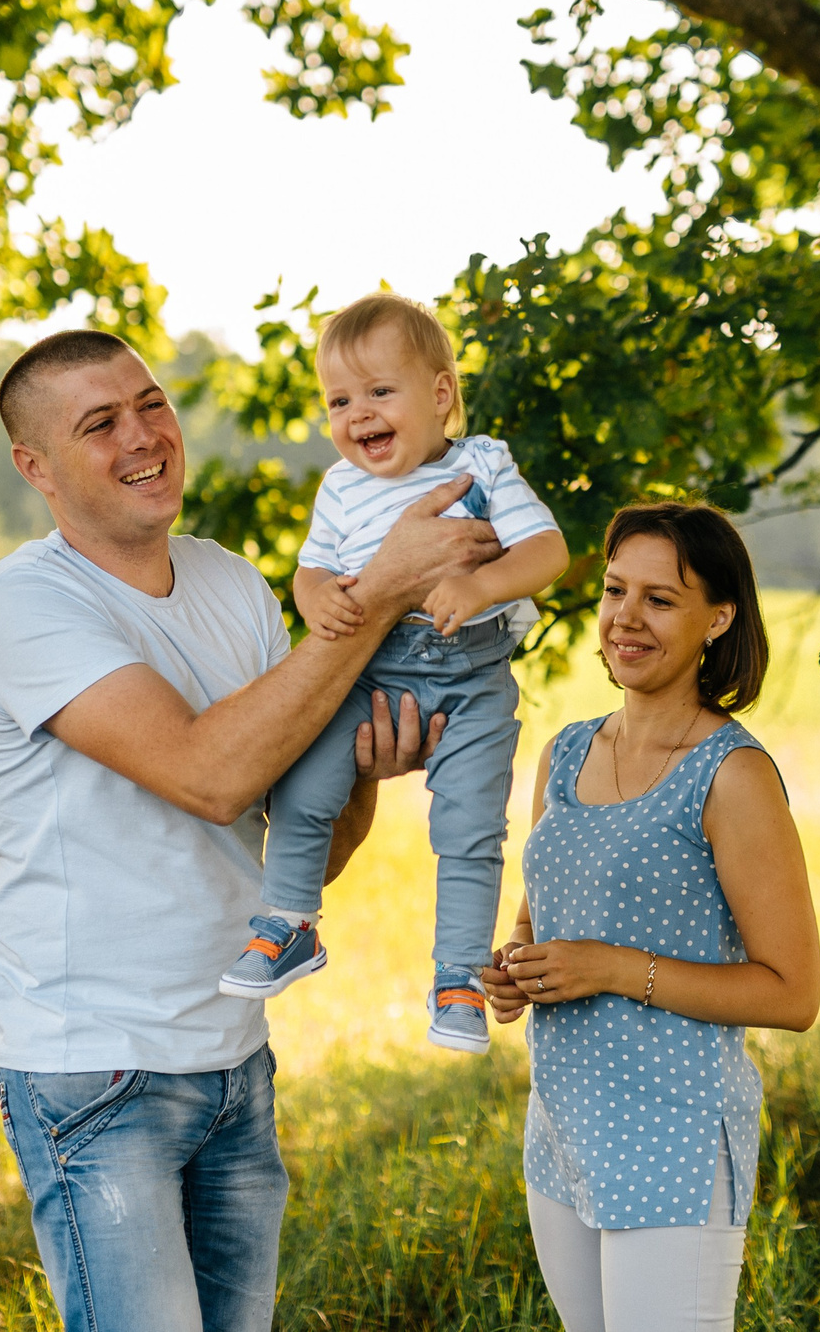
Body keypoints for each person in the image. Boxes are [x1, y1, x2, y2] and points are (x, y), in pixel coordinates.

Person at [0, 327, 500, 1332]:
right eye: (99, 422)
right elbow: (208, 775)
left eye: (150, 403)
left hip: (232, 1060)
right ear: (35, 465)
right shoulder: (25, 605)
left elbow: (300, 835)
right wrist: (377, 590)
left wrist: (362, 770)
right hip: (96, 1068)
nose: (142, 436)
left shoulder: (231, 584)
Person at [482, 501, 820, 1332]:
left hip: (673, 1141)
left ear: (719, 617)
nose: (626, 618)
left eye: (660, 598)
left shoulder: (731, 774)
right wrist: (514, 970)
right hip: (562, 1132)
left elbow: (793, 993)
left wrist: (608, 968)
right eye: (614, 590)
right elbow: (540, 923)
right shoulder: (566, 752)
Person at [219, 293, 569, 1056]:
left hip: (471, 676)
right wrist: (316, 598)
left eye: (381, 391)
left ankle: (458, 979)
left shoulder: (483, 464)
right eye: (340, 400)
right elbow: (313, 569)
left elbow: (548, 551)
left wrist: (478, 586)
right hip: (370, 670)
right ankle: (288, 921)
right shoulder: (341, 490)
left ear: (441, 395)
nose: (359, 414)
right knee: (305, 789)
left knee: (470, 829)